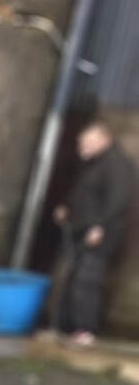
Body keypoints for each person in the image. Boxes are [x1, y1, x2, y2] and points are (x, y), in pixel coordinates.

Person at [52, 121, 133, 346]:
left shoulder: (117, 165)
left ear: (105, 140)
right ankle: (66, 328)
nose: (82, 146)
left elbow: (118, 201)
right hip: (81, 229)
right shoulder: (92, 163)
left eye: (88, 142)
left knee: (88, 281)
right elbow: (83, 191)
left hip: (101, 234)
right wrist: (67, 206)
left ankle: (86, 330)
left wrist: (100, 227)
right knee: (73, 278)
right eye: (82, 142)